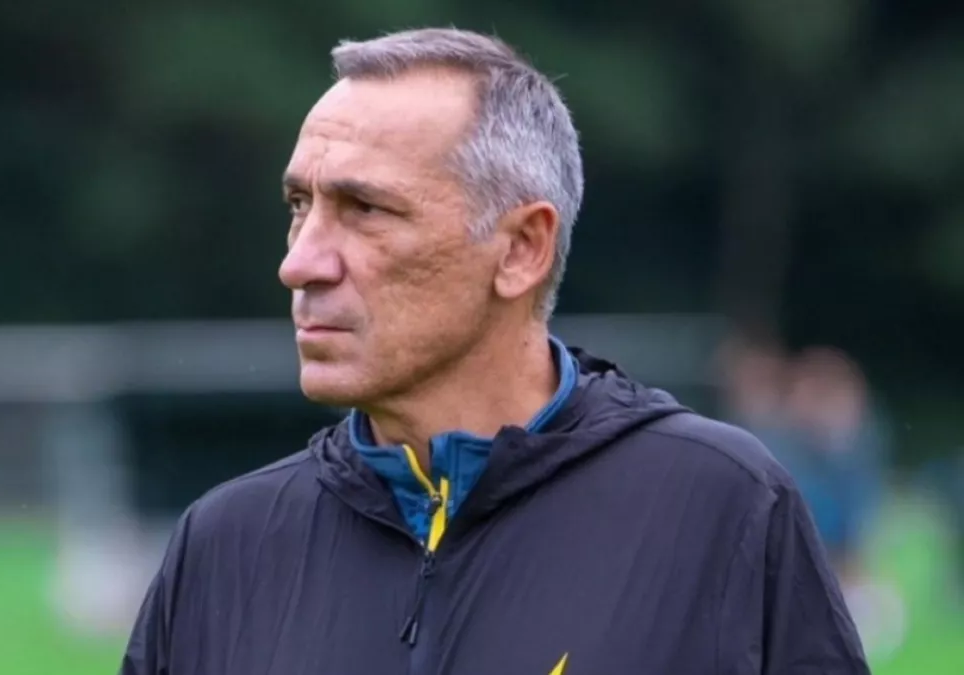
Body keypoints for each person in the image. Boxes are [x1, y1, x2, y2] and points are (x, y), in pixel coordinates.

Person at [119, 28, 868, 675]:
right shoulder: (226, 545)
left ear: (521, 249)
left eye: (365, 208)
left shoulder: (718, 506)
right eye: (299, 205)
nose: (300, 262)